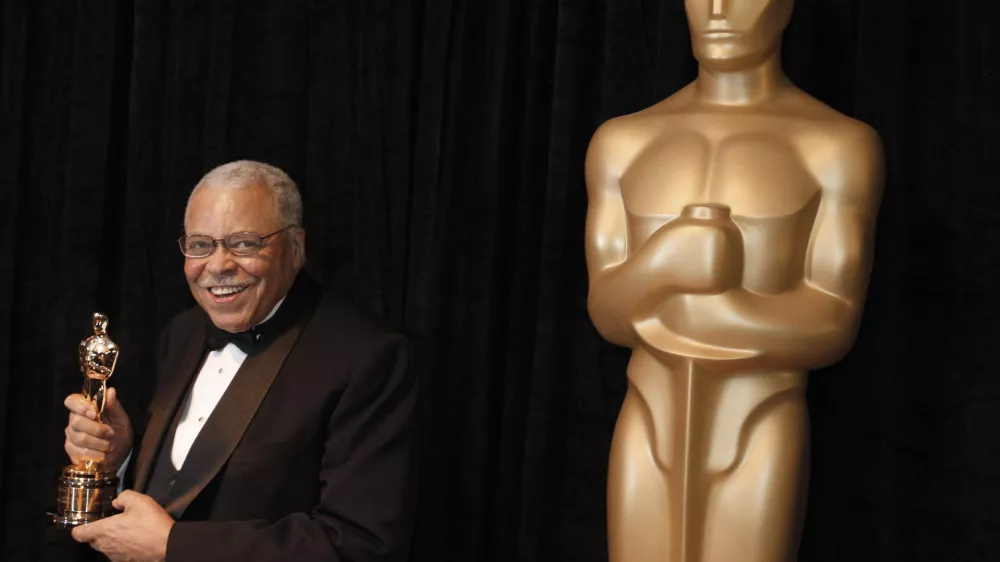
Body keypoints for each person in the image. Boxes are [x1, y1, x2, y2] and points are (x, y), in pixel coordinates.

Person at [584, 0, 883, 560]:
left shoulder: (836, 146)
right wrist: (664, 263)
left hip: (760, 415)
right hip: (648, 414)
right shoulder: (622, 143)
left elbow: (834, 323)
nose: (719, 10)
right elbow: (606, 311)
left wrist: (716, 310)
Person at [60, 161, 417, 562]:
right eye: (200, 244)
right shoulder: (183, 332)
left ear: (296, 248)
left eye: (244, 243)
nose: (217, 265)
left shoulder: (368, 356)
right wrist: (121, 457)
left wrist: (174, 547)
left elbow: (360, 545)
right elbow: (179, 486)